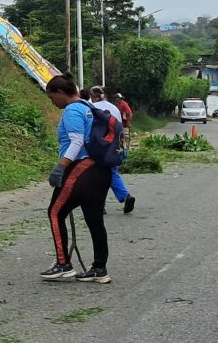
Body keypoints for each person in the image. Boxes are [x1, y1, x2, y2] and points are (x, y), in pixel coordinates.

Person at [41, 73, 112, 283]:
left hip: (81, 168)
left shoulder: (72, 110)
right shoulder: (87, 107)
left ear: (60, 92)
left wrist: (60, 167)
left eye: (52, 97)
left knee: (55, 212)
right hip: (100, 170)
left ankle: (63, 264)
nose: (52, 102)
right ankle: (99, 268)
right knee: (94, 219)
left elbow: (76, 141)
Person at [91, 86, 136, 215]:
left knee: (98, 174)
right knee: (111, 172)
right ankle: (123, 197)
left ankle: (101, 204)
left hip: (100, 145)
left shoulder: (93, 107)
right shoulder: (114, 108)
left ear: (93, 96)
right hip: (115, 145)